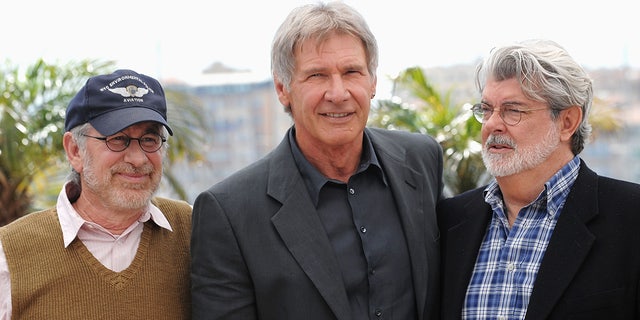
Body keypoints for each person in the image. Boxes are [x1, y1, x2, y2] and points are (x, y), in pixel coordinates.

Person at [190, 2, 444, 319]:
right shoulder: (229, 212)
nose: (338, 93)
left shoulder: (420, 160)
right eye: (317, 75)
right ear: (283, 89)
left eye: (351, 72)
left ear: (373, 81)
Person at [437, 39, 640, 320]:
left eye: (513, 110)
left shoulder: (631, 217)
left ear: (567, 122)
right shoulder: (449, 220)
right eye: (486, 109)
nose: (492, 124)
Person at [0, 69, 192, 319]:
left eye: (149, 139)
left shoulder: (191, 228)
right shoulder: (10, 253)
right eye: (118, 139)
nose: (137, 158)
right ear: (74, 151)